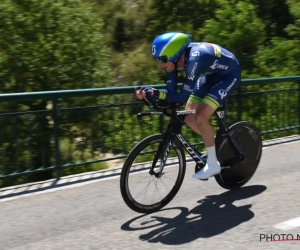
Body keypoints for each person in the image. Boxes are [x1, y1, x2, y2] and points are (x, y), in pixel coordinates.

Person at [135, 32, 241, 180]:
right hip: (210, 77)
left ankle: (213, 164)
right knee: (188, 116)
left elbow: (182, 96)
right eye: (157, 60)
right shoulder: (174, 62)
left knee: (201, 116)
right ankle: (216, 145)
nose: (160, 65)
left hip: (229, 75)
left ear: (175, 54)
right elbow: (171, 94)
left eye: (162, 60)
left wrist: (157, 94)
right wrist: (149, 94)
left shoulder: (194, 60)